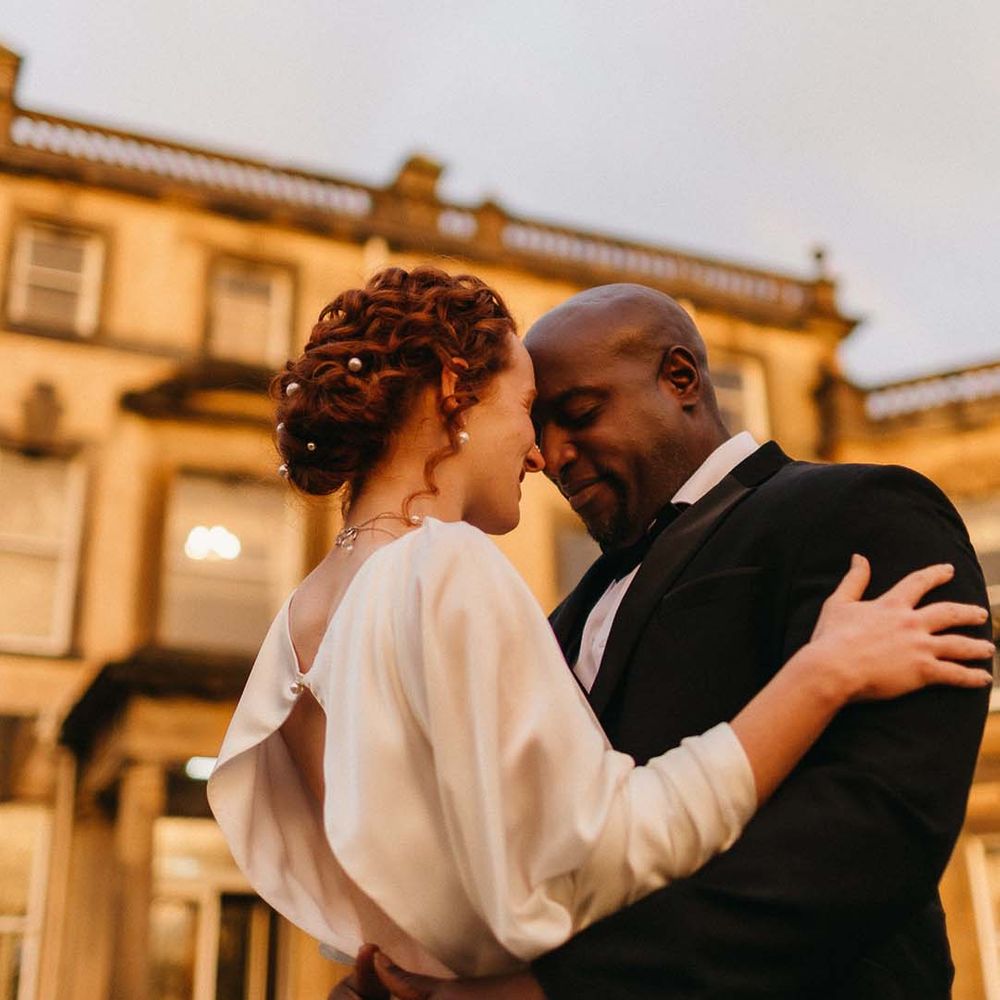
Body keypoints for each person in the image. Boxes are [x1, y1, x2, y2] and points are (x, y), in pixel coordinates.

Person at [202, 267, 991, 991]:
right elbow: (543, 855)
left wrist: (548, 990)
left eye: (578, 415)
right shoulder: (479, 585)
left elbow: (872, 829)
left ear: (680, 379)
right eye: (533, 418)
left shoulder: (860, 510)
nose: (548, 454)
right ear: (453, 393)